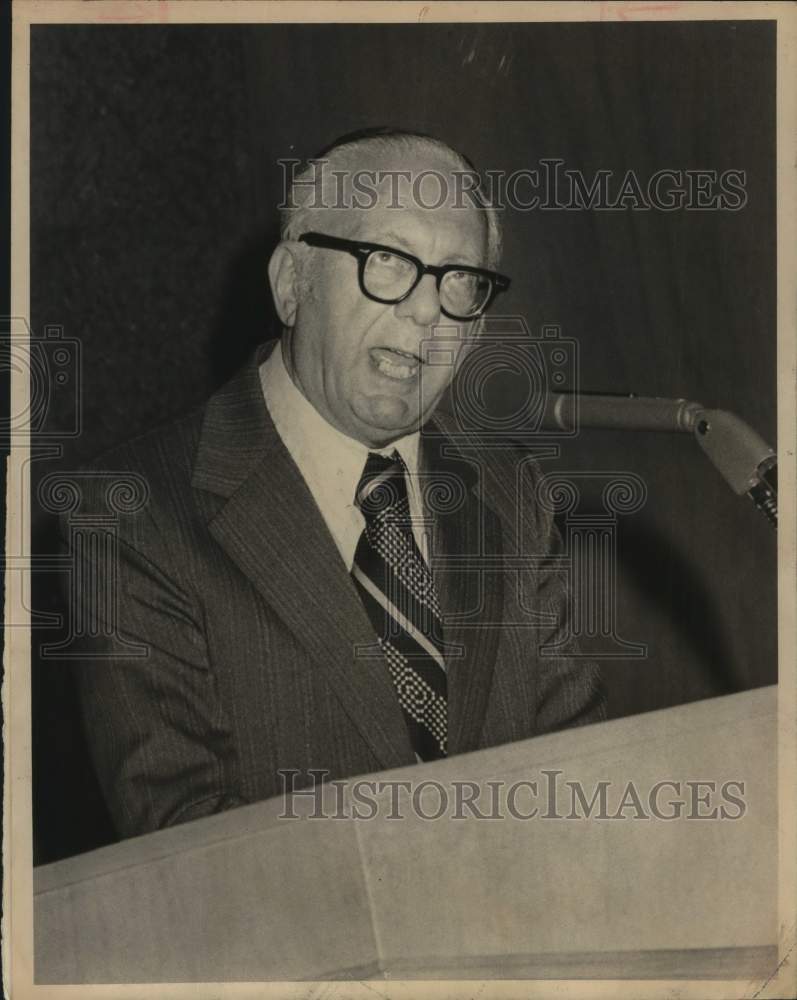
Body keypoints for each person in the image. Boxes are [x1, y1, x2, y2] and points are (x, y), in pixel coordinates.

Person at [70, 128, 605, 841]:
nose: (425, 311)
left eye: (459, 281)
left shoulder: (510, 491)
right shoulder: (132, 513)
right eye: (386, 262)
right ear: (292, 285)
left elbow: (581, 780)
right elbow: (186, 848)